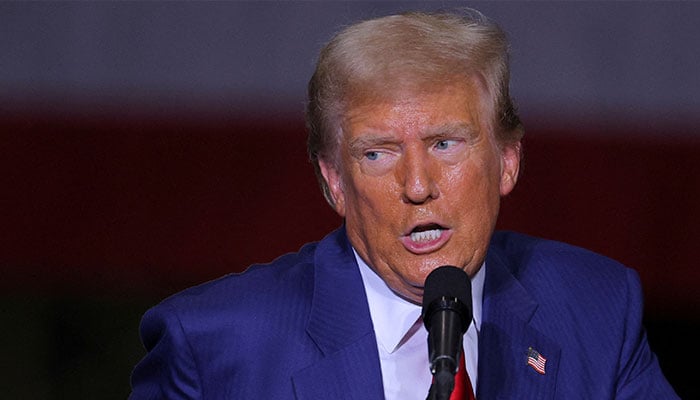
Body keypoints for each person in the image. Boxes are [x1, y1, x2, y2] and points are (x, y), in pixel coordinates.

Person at [129, 9, 679, 399]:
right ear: (334, 182)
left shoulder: (597, 309)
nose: (417, 185)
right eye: (378, 154)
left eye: (445, 144)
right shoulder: (216, 347)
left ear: (508, 160)